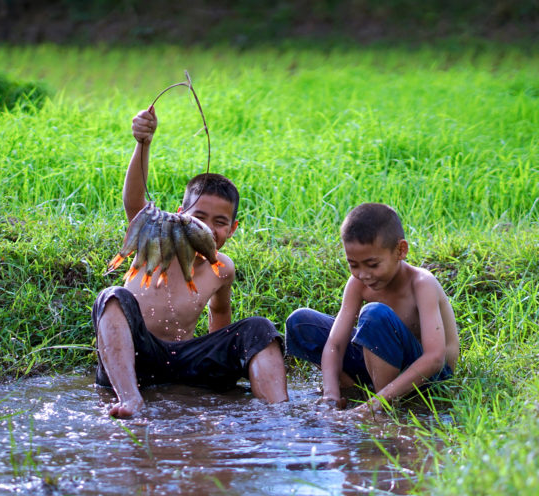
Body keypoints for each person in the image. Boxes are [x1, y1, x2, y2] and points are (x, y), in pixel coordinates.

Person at [93, 106, 289, 418]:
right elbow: (134, 201)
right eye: (198, 217)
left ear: (232, 229)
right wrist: (143, 143)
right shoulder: (159, 240)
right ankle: (129, 398)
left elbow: (220, 317)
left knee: (259, 328)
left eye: (220, 221)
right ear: (179, 215)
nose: (208, 228)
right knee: (112, 297)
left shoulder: (222, 268)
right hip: (138, 358)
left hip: (184, 362)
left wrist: (221, 357)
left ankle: (278, 412)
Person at [285, 203, 459, 417]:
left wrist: (375, 404)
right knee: (301, 322)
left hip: (428, 377)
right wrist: (330, 395)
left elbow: (435, 358)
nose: (363, 274)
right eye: (354, 264)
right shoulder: (357, 284)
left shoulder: (422, 283)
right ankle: (354, 391)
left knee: (374, 313)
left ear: (400, 250)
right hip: (379, 361)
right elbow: (335, 343)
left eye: (372, 264)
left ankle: (381, 406)